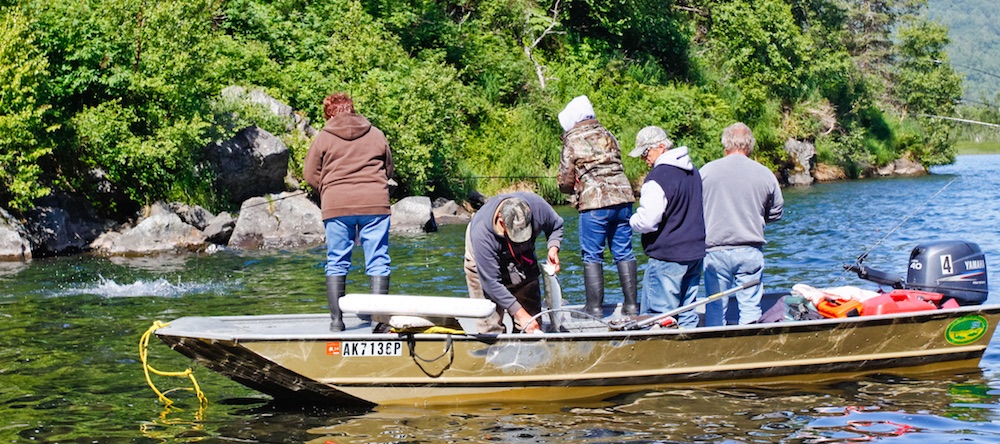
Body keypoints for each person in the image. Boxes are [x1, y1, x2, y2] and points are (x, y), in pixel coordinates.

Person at [304, 92, 393, 332]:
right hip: (375, 203)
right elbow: (388, 168)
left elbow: (310, 174)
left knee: (337, 262)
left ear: (329, 114)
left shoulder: (323, 137)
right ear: (353, 109)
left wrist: (327, 189)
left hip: (336, 205)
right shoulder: (376, 133)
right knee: (378, 261)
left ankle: (336, 322)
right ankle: (378, 322)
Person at [557, 95, 638, 318]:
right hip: (623, 199)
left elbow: (565, 179)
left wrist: (569, 188)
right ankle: (632, 307)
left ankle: (594, 308)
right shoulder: (608, 134)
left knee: (592, 255)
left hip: (595, 203)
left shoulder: (572, 139)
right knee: (624, 252)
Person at [701, 122, 784, 326]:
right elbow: (776, 213)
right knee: (750, 306)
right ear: (749, 146)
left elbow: (695, 209)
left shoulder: (706, 172)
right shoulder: (765, 174)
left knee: (715, 305)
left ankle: (715, 345)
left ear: (725, 145)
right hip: (749, 249)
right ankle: (750, 345)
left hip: (715, 250)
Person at [628, 126, 706, 328]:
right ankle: (688, 354)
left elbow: (647, 221)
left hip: (667, 257)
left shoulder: (657, 178)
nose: (643, 158)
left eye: (646, 152)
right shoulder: (693, 172)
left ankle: (658, 356)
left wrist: (631, 220)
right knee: (687, 313)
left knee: (657, 317)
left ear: (661, 147)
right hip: (695, 254)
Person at [464, 192, 563, 334]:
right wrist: (520, 314)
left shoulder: (537, 207)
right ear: (501, 222)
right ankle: (495, 347)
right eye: (516, 235)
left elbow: (556, 225)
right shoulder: (482, 234)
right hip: (482, 261)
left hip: (523, 256)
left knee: (532, 320)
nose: (520, 239)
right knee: (490, 320)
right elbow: (491, 283)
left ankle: (525, 343)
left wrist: (553, 247)